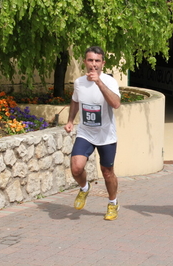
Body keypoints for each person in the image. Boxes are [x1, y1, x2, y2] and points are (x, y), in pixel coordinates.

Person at [64, 46, 121, 221]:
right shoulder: (79, 82)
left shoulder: (109, 82)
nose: (93, 65)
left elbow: (116, 104)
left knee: (107, 172)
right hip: (86, 132)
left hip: (106, 135)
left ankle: (113, 203)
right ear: (84, 62)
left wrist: (99, 83)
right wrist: (70, 120)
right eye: (90, 60)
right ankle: (84, 188)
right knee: (76, 167)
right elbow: (75, 101)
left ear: (103, 63)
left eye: (97, 61)